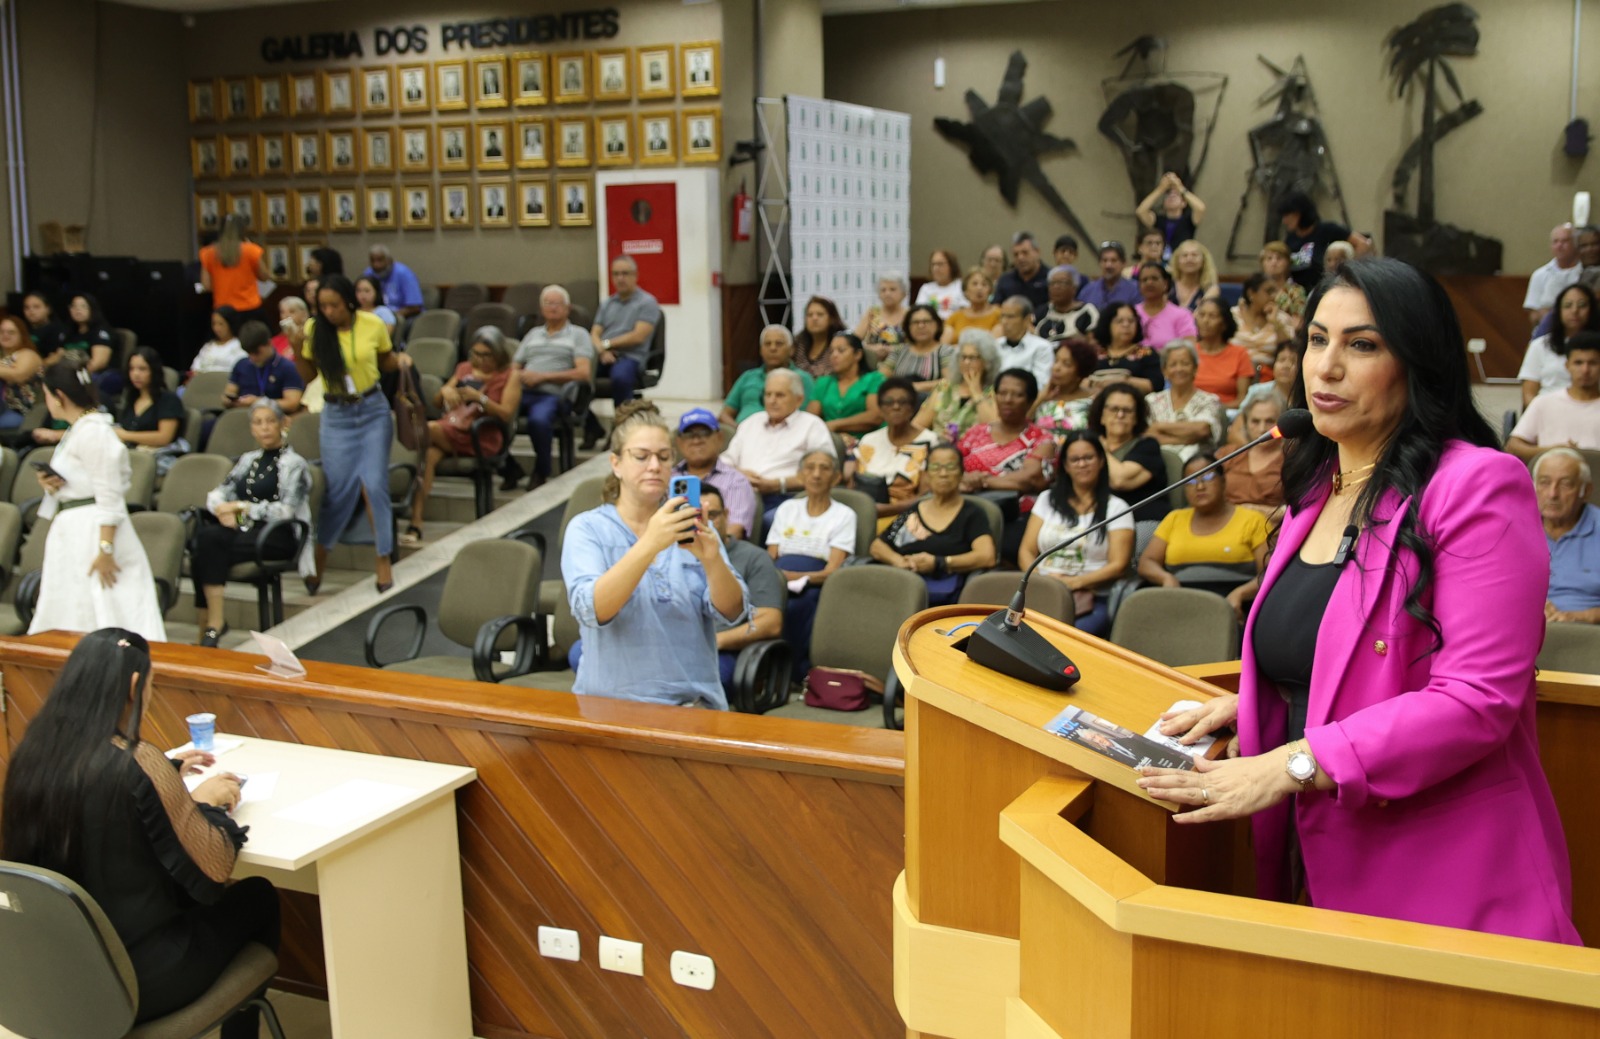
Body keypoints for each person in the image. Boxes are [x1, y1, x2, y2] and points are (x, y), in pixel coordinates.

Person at [1139, 257, 1581, 946]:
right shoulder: (1314, 492)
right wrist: (1257, 703)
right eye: (1317, 339)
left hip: (1442, 877)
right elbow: (1344, 653)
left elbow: (1475, 700)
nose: (1326, 367)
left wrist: (1289, 760)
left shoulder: (1477, 486)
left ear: (1417, 362)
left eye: (1362, 344)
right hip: (1308, 862)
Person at [0, 630, 277, 1038]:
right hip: (137, 982)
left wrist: (165, 775)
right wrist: (205, 803)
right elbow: (215, 865)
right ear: (134, 685)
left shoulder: (32, 757)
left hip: (56, 978)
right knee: (259, 895)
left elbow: (97, 801)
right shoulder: (136, 761)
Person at [563, 402, 748, 709]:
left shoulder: (693, 525)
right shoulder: (587, 528)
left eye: (663, 457)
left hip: (691, 706)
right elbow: (592, 610)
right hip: (609, 705)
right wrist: (650, 543)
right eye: (641, 456)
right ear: (616, 463)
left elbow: (732, 611)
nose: (654, 466)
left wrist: (713, 560)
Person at [28, 359, 166, 641]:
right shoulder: (77, 430)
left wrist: (105, 549)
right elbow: (81, 482)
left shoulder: (94, 432)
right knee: (72, 609)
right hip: (73, 531)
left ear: (60, 396)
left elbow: (109, 493)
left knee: (108, 610)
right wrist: (52, 485)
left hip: (96, 533)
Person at [299, 274, 414, 594]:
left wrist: (402, 360)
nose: (328, 311)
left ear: (349, 302)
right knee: (338, 492)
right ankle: (320, 558)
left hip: (371, 410)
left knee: (374, 485)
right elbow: (308, 375)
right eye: (322, 306)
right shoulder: (314, 329)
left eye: (334, 305)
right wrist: (298, 346)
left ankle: (383, 560)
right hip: (336, 414)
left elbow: (384, 361)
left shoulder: (372, 324)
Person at [194, 399, 314, 644]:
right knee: (204, 541)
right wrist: (223, 511)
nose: (265, 428)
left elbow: (287, 511)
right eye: (258, 423)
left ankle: (211, 624)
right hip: (246, 529)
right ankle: (212, 622)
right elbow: (218, 494)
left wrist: (242, 508)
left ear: (283, 423)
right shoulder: (248, 460)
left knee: (208, 545)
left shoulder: (295, 464)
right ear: (251, 428)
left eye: (270, 421)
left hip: (278, 535)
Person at [404, 328, 521, 546]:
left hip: (481, 435)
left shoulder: (510, 375)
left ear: (499, 354)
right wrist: (445, 392)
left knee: (427, 429)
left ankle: (399, 461)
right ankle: (415, 522)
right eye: (476, 353)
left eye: (486, 355)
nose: (480, 360)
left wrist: (481, 399)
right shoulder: (464, 369)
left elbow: (506, 414)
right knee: (427, 458)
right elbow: (439, 401)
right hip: (452, 430)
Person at [1018, 431, 1134, 636]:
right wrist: (1040, 581)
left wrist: (1073, 583)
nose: (1082, 464)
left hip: (1090, 596)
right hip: (1042, 591)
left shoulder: (1117, 508)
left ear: (1100, 461)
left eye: (1088, 458)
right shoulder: (1047, 500)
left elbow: (1119, 565)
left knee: (1060, 637)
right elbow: (1026, 551)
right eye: (1075, 459)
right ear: (1065, 465)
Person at [1137, 452, 1268, 620]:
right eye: (1190, 481)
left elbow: (1269, 573)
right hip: (1179, 605)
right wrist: (1166, 578)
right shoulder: (1174, 518)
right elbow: (1147, 562)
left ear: (1223, 481)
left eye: (1207, 477)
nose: (1199, 487)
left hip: (1234, 608)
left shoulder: (1251, 520)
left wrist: (1241, 593)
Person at [871, 442, 997, 605]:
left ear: (961, 473)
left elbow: (987, 557)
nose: (943, 474)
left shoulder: (972, 513)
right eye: (936, 467)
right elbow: (877, 546)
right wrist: (898, 561)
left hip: (943, 597)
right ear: (927, 474)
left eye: (950, 467)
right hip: (901, 591)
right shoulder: (915, 510)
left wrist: (940, 562)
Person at [767, 450, 855, 679]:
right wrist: (777, 578)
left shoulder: (844, 515)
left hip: (815, 584)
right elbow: (772, 556)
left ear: (836, 477)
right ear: (800, 474)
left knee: (796, 607)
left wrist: (795, 577)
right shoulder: (787, 509)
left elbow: (832, 571)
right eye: (810, 467)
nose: (816, 474)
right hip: (779, 579)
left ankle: (793, 673)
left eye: (824, 468)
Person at [508, 285, 595, 491]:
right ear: (541, 308)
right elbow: (514, 365)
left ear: (567, 308)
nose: (552, 308)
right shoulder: (533, 334)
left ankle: (542, 469)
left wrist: (542, 377)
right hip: (523, 390)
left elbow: (583, 373)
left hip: (554, 394)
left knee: (537, 420)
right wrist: (519, 377)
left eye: (557, 304)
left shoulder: (578, 334)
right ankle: (508, 468)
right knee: (493, 413)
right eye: (548, 303)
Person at [701, 482, 785, 696]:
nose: (703, 523)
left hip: (726, 651)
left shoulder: (753, 558)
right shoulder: (668, 555)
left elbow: (771, 622)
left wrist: (716, 641)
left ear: (726, 515)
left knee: (694, 689)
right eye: (695, 515)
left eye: (712, 515)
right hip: (675, 650)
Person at [957, 368, 1051, 558]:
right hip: (966, 510)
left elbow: (1029, 479)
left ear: (1030, 401)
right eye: (1003, 393)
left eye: (1017, 395)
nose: (1008, 399)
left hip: (1017, 516)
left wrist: (979, 481)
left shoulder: (1042, 439)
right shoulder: (975, 433)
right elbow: (952, 469)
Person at [722, 368, 836, 515]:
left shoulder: (812, 426)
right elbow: (724, 461)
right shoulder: (750, 423)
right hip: (738, 494)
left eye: (780, 395)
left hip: (785, 498)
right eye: (768, 394)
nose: (772, 400)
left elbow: (824, 473)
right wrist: (739, 473)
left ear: (799, 399)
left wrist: (778, 484)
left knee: (769, 520)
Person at [583, 255, 662, 448]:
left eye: (625, 274)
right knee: (580, 376)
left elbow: (638, 336)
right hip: (603, 355)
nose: (620, 278)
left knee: (620, 378)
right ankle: (591, 426)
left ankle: (620, 430)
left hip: (631, 357)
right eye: (616, 274)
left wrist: (607, 345)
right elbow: (594, 332)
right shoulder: (607, 303)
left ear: (635, 276)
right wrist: (601, 350)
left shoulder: (647, 302)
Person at [854, 376, 940, 523]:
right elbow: (854, 486)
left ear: (912, 407)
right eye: (888, 402)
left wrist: (886, 510)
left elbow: (927, 496)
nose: (895, 407)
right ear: (880, 408)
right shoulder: (869, 440)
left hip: (908, 516)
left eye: (902, 402)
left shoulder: (930, 442)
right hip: (865, 514)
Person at [1507, 332, 1600, 460]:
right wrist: (1553, 451)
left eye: (1592, 363)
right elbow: (1513, 446)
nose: (1585, 370)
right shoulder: (1543, 403)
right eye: (1578, 363)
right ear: (1567, 366)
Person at [1537, 448, 1600, 624]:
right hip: (1523, 629)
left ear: (1585, 491)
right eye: (1544, 482)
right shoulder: (1514, 530)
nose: (1553, 494)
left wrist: (1578, 617)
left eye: (1565, 484)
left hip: (1587, 635)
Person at [672, 409, 756, 540]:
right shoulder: (666, 477)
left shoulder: (736, 481)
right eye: (689, 434)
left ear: (720, 438)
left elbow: (735, 531)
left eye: (704, 433)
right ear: (679, 442)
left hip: (719, 554)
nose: (696, 440)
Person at [1092, 382, 1170, 523]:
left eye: (1127, 410)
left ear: (1136, 418)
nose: (1120, 415)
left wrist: (1101, 450)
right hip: (1097, 520)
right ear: (1101, 415)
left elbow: (1120, 480)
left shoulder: (1148, 446)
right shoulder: (1087, 445)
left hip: (1141, 521)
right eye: (1114, 409)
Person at [719, 324, 816, 428]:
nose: (773, 348)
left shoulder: (802, 378)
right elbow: (724, 414)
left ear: (791, 350)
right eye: (767, 344)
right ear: (761, 350)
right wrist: (740, 430)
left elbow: (807, 417)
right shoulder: (748, 377)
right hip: (741, 433)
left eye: (779, 344)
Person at [1519, 283, 1597, 407]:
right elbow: (1529, 393)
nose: (1575, 311)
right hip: (1548, 412)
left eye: (1582, 305)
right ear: (1558, 311)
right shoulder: (1540, 346)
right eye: (1568, 305)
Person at [1275, 190, 1371, 291]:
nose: (1284, 221)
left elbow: (1363, 244)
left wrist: (1349, 271)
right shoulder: (1290, 239)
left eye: (1287, 215)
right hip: (1299, 294)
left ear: (1299, 214)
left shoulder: (1327, 230)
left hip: (1326, 290)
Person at [913, 329, 1000, 440]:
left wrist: (976, 393)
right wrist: (936, 437)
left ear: (987, 362)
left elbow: (994, 429)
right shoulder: (944, 387)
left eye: (973, 358)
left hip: (974, 452)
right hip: (939, 450)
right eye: (963, 357)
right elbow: (917, 426)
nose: (966, 362)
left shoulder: (995, 392)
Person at [1146, 342, 1225, 462]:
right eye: (1173, 364)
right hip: (1157, 462)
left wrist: (1159, 426)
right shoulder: (1151, 401)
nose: (1179, 369)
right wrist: (1188, 438)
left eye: (1185, 363)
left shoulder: (1210, 400)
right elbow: (1147, 435)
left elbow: (1202, 429)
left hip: (1197, 465)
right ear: (1164, 371)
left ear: (1195, 368)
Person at [114, 346, 187, 475]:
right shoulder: (131, 398)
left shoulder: (168, 400)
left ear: (154, 371)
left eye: (142, 369)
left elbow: (164, 437)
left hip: (156, 460)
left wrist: (125, 435)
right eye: (132, 369)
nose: (136, 374)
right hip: (129, 457)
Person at [806, 332, 883, 435]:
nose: (834, 355)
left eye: (841, 350)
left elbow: (875, 416)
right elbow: (810, 419)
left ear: (858, 355)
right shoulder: (823, 382)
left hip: (866, 440)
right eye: (831, 351)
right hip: (830, 440)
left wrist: (835, 425)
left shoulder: (874, 379)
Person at [1224, 395, 1287, 518]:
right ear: (1246, 424)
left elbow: (1300, 510)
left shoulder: (1293, 459)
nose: (1262, 428)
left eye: (1269, 421)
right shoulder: (1228, 454)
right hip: (1227, 527)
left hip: (1272, 529)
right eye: (1255, 421)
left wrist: (1254, 510)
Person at [199, 213, 269, 321]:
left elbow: (206, 285)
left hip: (222, 309)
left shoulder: (208, 253)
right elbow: (264, 276)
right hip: (249, 307)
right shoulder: (251, 250)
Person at [225, 320, 303, 414]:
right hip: (242, 415)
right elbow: (228, 394)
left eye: (257, 353)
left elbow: (292, 404)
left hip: (273, 417)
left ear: (269, 343)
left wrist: (258, 402)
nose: (252, 358)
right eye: (249, 353)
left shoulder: (288, 368)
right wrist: (231, 401)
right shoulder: (241, 364)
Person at [1229, 340, 1299, 445]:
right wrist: (1258, 452)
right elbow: (1235, 432)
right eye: (1281, 360)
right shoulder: (1258, 391)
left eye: (1293, 361)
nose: (1286, 366)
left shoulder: (1308, 396)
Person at [1087, 302, 1163, 396]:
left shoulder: (1147, 353)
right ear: (1107, 324)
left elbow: (1156, 385)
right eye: (1119, 321)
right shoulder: (1094, 354)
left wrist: (1124, 381)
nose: (1126, 325)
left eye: (1131, 321)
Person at [1032, 337, 1099, 436]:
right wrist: (1041, 398)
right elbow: (1021, 426)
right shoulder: (1042, 396)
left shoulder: (1093, 400)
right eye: (1056, 361)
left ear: (1080, 373)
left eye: (1066, 364)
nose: (1056, 368)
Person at [1193, 298, 1254, 406]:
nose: (1205, 321)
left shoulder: (1240, 354)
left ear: (1224, 323)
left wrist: (1213, 410)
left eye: (1212, 316)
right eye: (1202, 315)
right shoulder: (1189, 352)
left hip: (1227, 415)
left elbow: (1242, 400)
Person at [879, 303, 952, 393]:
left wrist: (913, 387)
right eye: (915, 322)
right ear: (908, 327)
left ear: (937, 325)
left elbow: (949, 381)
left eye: (926, 321)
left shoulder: (945, 351)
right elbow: (880, 377)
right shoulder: (899, 350)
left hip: (933, 401)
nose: (921, 326)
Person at [1231, 272, 1298, 367]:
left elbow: (1288, 351)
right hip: (1233, 371)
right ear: (1251, 293)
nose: (1274, 296)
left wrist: (1275, 323)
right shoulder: (1232, 315)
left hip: (1267, 374)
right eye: (1269, 291)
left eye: (1275, 292)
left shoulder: (1282, 319)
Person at [1136, 172, 1207, 259]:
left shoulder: (1189, 220)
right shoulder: (1158, 220)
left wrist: (1180, 188)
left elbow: (1200, 208)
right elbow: (1141, 211)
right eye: (1168, 195)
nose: (1171, 197)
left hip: (1181, 261)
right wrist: (1160, 189)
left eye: (1176, 195)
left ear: (1183, 203)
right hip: (1160, 262)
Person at [1526, 223, 1584, 327]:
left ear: (1576, 244)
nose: (1559, 245)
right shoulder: (1540, 274)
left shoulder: (1586, 272)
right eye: (1555, 241)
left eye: (1565, 241)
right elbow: (1533, 313)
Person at [993, 295, 1055, 387]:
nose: (1004, 322)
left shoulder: (1041, 347)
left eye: (1010, 317)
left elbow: (1041, 383)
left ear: (1027, 319)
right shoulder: (994, 345)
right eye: (1002, 316)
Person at [58, 292, 117, 388]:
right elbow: (59, 356)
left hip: (97, 374)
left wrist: (72, 376)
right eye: (74, 306)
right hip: (70, 373)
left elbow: (98, 363)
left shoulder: (101, 331)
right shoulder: (68, 332)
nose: (78, 310)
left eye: (83, 306)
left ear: (92, 309)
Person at [1134, 264, 1198, 348]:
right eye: (1144, 280)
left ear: (1165, 283)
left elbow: (1189, 347)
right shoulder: (1132, 313)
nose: (1149, 283)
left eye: (1154, 278)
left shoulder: (1182, 315)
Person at [853, 271, 911, 360]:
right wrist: (872, 348)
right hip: (873, 363)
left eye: (892, 289)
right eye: (883, 290)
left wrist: (892, 350)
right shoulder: (872, 313)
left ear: (903, 293)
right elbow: (854, 341)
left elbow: (918, 344)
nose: (887, 293)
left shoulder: (910, 314)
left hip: (902, 363)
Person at [0, 313, 42, 428]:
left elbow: (18, 375)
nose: (5, 335)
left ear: (22, 335)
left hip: (19, 410)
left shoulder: (28, 354)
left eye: (11, 332)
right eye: (2, 331)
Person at [1035, 265, 1098, 340]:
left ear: (1074, 287)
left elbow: (1092, 341)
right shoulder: (1042, 311)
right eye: (1052, 283)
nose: (1056, 287)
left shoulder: (1087, 311)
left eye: (1062, 283)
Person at [941, 269, 1002, 345]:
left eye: (984, 284)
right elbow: (944, 348)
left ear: (990, 290)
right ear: (966, 290)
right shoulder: (955, 317)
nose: (979, 288)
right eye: (974, 284)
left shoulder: (999, 315)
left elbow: (993, 346)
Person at [362, 245, 424, 317]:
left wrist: (392, 318)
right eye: (372, 261)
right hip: (377, 317)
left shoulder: (404, 273)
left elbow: (415, 307)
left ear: (389, 260)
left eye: (380, 260)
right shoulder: (369, 274)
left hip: (404, 317)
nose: (376, 265)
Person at [792, 296, 845, 379]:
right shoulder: (797, 343)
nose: (814, 318)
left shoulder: (841, 343)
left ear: (831, 318)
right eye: (809, 315)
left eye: (820, 314)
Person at [1079, 241, 1142, 311]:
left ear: (1124, 263)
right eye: (1105, 260)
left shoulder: (1136, 290)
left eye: (1113, 260)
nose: (1108, 265)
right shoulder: (1087, 292)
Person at [995, 232, 1049, 310]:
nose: (1020, 258)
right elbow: (996, 308)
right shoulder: (1005, 280)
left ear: (1037, 252)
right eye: (1016, 254)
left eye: (1025, 253)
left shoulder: (1051, 279)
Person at [188, 307, 247, 377]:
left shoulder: (239, 346)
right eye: (214, 324)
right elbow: (195, 368)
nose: (216, 328)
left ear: (230, 324)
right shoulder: (208, 346)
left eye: (221, 324)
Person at [1259, 241, 1308, 323]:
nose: (1274, 262)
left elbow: (1299, 322)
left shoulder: (1297, 290)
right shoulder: (1256, 289)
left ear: (1288, 263)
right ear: (1262, 264)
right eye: (1269, 258)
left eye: (1279, 258)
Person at [1169, 239, 1221, 311]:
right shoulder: (1166, 285)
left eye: (1194, 255)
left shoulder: (1210, 289)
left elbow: (1200, 316)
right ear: (1177, 261)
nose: (1189, 259)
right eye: (1185, 255)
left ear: (1203, 261)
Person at [914, 249, 967, 319]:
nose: (935, 268)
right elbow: (919, 313)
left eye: (940, 264)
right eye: (933, 264)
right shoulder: (926, 289)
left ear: (952, 266)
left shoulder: (961, 286)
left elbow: (965, 311)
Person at [21, 290, 67, 357]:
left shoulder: (57, 330)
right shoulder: (22, 329)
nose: (31, 311)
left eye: (36, 307)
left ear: (48, 309)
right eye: (27, 308)